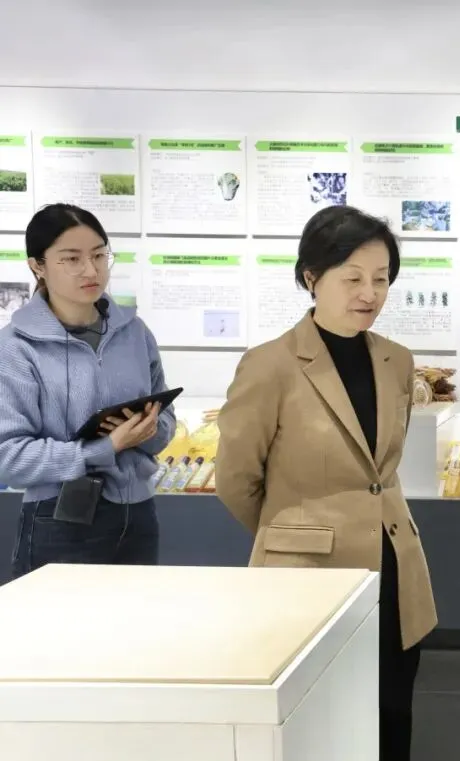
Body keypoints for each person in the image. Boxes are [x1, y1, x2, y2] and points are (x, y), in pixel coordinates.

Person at [214, 205, 437, 761]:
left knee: (391, 715)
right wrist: (289, 533)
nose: (369, 293)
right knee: (322, 726)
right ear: (312, 277)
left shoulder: (396, 360)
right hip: (305, 578)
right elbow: (236, 479)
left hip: (393, 568)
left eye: (381, 279)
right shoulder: (269, 365)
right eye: (353, 278)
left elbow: (381, 470)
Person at [0, 203, 176, 576]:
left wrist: (150, 429)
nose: (91, 270)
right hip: (58, 519)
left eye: (99, 255)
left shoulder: (134, 332)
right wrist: (104, 449)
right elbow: (8, 457)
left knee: (137, 615)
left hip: (138, 514)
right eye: (72, 259)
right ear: (38, 266)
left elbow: (166, 421)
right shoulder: (16, 347)